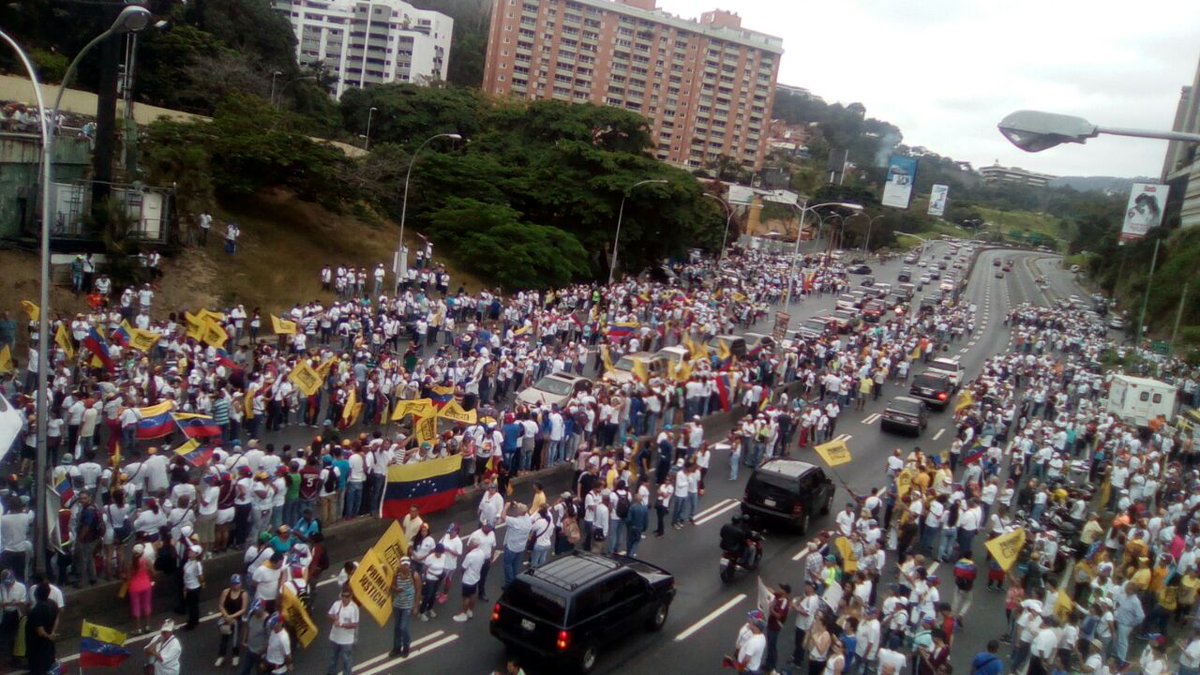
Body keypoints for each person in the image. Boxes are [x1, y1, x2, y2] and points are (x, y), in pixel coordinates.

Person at [24, 583, 58, 675]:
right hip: (49, 646)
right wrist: (52, 633)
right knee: (50, 667)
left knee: (38, 670)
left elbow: (40, 631)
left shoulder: (36, 611)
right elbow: (56, 618)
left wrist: (48, 636)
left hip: (37, 647)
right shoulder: (53, 604)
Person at [215, 574, 248, 667]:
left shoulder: (243, 594)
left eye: (237, 584)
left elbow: (243, 609)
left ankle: (235, 655)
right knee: (224, 638)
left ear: (240, 584)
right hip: (226, 618)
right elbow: (221, 605)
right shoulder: (226, 592)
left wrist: (232, 617)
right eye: (233, 584)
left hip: (237, 620)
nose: (235, 586)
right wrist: (226, 616)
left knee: (235, 639)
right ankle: (221, 656)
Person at [390, 558, 420, 658]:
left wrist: (416, 606)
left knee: (403, 627)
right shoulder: (396, 575)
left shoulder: (414, 575)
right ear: (400, 565)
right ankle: (397, 648)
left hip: (407, 605)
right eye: (403, 564)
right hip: (397, 604)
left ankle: (406, 646)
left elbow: (418, 591)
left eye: (407, 565)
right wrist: (396, 589)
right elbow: (392, 586)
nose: (405, 566)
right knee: (397, 627)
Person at [326, 585, 359, 675]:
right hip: (335, 637)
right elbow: (329, 614)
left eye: (347, 596)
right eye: (343, 596)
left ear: (351, 596)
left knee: (347, 660)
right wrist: (334, 617)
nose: (344, 598)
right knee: (333, 658)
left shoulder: (354, 608)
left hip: (346, 640)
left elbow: (354, 624)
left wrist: (341, 624)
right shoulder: (337, 604)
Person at [127, 543, 156, 634]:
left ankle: (138, 629)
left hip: (134, 587)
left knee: (136, 608)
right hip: (146, 585)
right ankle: (147, 626)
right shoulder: (146, 560)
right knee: (147, 605)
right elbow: (153, 572)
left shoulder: (130, 563)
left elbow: (127, 577)